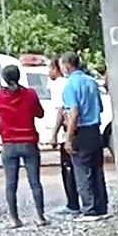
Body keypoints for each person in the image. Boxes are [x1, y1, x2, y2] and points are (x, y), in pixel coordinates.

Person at [0, 65, 46, 229]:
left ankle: (15, 219)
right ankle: (40, 217)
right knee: (35, 182)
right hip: (29, 142)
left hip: (9, 144)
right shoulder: (30, 94)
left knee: (11, 183)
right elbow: (40, 113)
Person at [60, 51, 108, 222]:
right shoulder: (91, 82)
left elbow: (74, 113)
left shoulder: (70, 86)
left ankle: (89, 209)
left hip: (81, 131)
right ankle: (102, 206)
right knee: (97, 170)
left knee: (82, 171)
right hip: (95, 129)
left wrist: (68, 137)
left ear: (66, 66)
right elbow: (100, 107)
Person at [49, 56, 79, 214]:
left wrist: (54, 134)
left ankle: (72, 204)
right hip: (72, 131)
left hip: (66, 134)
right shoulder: (67, 83)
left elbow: (61, 111)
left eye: (50, 68)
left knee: (68, 169)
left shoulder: (59, 85)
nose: (49, 72)